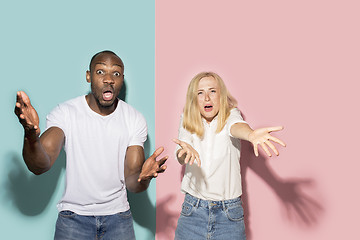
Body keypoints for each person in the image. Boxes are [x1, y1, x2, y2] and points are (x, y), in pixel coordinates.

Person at [14, 50, 167, 240]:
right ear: (89, 76)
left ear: (121, 80)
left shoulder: (134, 119)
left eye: (116, 74)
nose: (109, 79)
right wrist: (30, 134)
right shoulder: (65, 113)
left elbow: (132, 182)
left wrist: (144, 178)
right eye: (101, 72)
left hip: (118, 218)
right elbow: (39, 165)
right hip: (73, 219)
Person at [173, 71, 286, 240]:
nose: (207, 98)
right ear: (194, 99)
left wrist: (251, 135)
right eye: (200, 93)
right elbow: (181, 150)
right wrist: (184, 153)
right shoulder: (187, 119)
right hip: (192, 212)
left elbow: (237, 126)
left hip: (229, 215)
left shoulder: (231, 115)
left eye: (212, 91)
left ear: (221, 95)